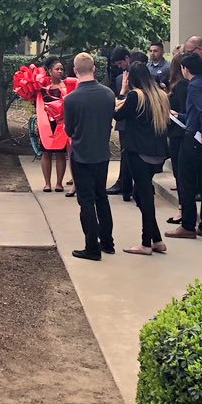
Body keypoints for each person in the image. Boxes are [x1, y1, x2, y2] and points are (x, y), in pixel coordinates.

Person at [63, 53, 116, 262]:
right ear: (94, 69)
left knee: (86, 201)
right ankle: (108, 243)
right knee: (101, 196)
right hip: (102, 153)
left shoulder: (72, 99)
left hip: (81, 154)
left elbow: (68, 130)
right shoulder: (108, 94)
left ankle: (91, 246)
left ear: (75, 71)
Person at [115, 63, 170, 256]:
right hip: (157, 154)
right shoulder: (161, 96)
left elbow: (117, 114)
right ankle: (157, 240)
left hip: (138, 152)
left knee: (144, 196)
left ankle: (146, 244)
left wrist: (122, 92)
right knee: (141, 194)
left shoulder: (135, 96)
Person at [166, 54, 202, 241]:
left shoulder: (194, 86)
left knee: (186, 181)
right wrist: (179, 115)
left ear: (185, 69)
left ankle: (188, 225)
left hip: (196, 139)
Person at [37, 57, 77, 194]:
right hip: (46, 124)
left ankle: (59, 183)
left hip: (61, 123)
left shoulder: (67, 86)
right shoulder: (42, 87)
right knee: (46, 152)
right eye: (57, 69)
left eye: (61, 69)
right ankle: (47, 183)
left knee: (61, 153)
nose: (60, 71)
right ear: (50, 71)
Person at [165, 50, 189, 226]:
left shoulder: (181, 86)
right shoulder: (184, 85)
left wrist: (171, 112)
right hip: (179, 133)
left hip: (178, 134)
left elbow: (182, 111)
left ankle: (182, 209)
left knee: (180, 173)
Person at [106, 46, 133, 200]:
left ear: (127, 58)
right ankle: (123, 182)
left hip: (134, 122)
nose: (119, 66)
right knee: (124, 152)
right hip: (123, 121)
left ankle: (126, 183)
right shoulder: (119, 79)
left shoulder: (138, 76)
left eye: (120, 63)